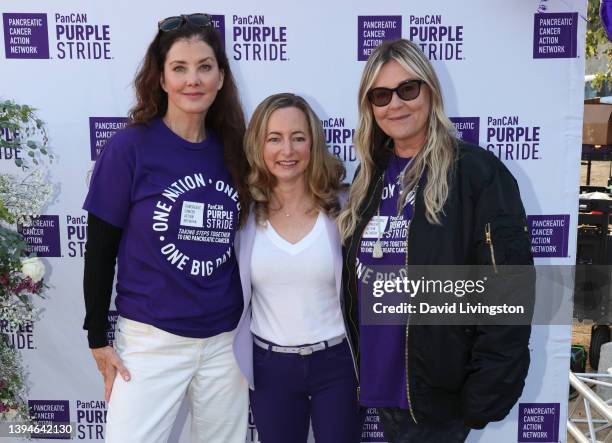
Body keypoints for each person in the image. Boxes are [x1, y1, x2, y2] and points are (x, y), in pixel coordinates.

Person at [337, 39, 535, 443]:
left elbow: (510, 288)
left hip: (439, 397)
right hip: (382, 385)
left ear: (430, 91)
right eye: (381, 95)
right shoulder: (369, 178)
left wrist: (485, 392)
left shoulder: (476, 174)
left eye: (408, 89)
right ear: (369, 107)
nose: (396, 104)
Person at [82, 13, 249, 443]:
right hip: (150, 342)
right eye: (179, 68)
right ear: (161, 79)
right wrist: (97, 336)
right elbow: (100, 248)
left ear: (220, 77)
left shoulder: (236, 150)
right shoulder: (129, 148)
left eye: (204, 67)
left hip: (224, 342)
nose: (193, 80)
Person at [232, 93, 363, 443]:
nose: (286, 150)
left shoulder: (346, 206)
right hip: (270, 368)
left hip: (337, 365)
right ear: (258, 145)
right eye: (274, 138)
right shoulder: (242, 213)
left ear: (314, 143)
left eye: (298, 138)